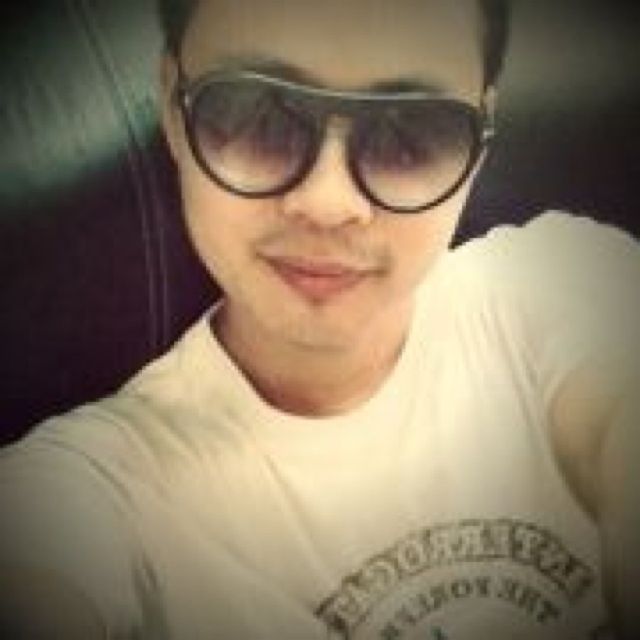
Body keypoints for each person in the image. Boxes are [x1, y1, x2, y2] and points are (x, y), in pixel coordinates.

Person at [1, 0, 638, 638]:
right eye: (255, 114)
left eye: (411, 131)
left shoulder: (560, 280)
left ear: (479, 147)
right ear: (173, 107)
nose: (328, 204)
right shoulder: (95, 489)